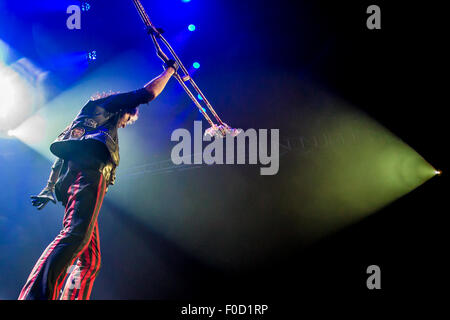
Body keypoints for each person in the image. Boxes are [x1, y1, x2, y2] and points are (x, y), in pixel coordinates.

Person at [18, 60, 178, 300]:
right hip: (87, 173)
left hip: (85, 176)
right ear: (124, 110)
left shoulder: (86, 122)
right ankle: (35, 296)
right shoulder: (103, 105)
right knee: (74, 236)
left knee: (90, 259)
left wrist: (50, 187)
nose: (124, 124)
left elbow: (64, 151)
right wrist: (170, 72)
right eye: (127, 119)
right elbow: (148, 93)